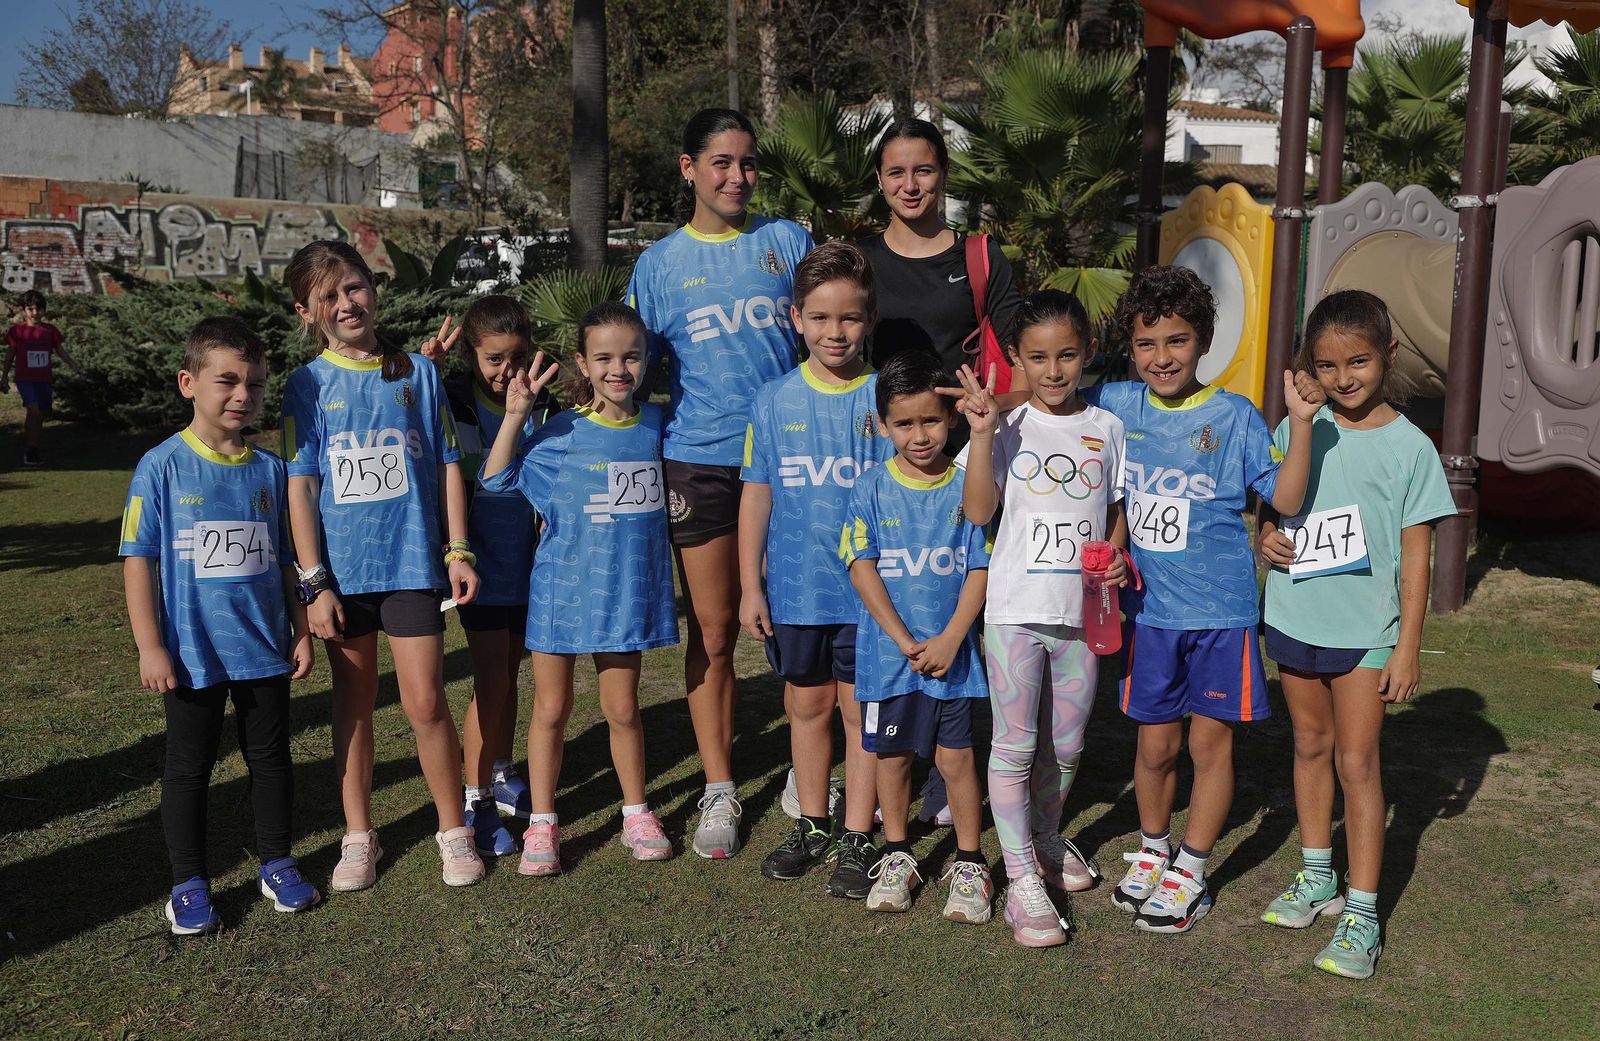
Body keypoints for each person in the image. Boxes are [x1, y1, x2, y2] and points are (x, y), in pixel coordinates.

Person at [1084, 265, 1320, 933]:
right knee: (1154, 747)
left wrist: (1300, 424)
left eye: (1178, 341)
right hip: (1150, 618)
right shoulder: (1117, 406)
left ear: (1204, 341)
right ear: (1130, 349)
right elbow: (1054, 398)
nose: (1163, 357)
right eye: (1147, 343)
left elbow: (1287, 497)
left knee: (1209, 748)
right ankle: (1154, 848)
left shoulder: (1235, 416)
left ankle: (1192, 867)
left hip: (1220, 617)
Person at [627, 108, 815, 859]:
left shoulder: (786, 241)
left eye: (746, 164)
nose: (737, 177)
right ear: (688, 169)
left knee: (796, 618)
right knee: (712, 629)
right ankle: (719, 786)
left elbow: (832, 332)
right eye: (720, 163)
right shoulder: (658, 265)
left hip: (789, 459)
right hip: (699, 459)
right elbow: (631, 373)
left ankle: (810, 775)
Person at [1257, 290, 1456, 979]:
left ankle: (1363, 912)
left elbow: (1419, 556)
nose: (1344, 377)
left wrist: (1407, 645)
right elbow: (1276, 503)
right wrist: (1265, 540)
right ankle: (1318, 876)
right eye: (1328, 363)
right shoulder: (1301, 425)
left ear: (1389, 355)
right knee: (1309, 746)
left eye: (1359, 361)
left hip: (1366, 633)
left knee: (1356, 762)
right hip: (1294, 617)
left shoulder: (1411, 449)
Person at [280, 240, 485, 891]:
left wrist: (457, 547)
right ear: (307, 310)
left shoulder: (416, 374)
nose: (348, 303)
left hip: (410, 568)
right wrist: (313, 582)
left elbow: (450, 464)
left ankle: (454, 832)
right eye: (330, 296)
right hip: (342, 578)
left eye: (356, 287)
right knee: (355, 702)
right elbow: (299, 487)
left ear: (375, 288)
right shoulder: (304, 385)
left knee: (427, 699)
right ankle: (358, 836)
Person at [119, 316, 318, 935]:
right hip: (191, 653)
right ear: (189, 382)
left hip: (263, 649)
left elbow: (284, 559)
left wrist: (301, 626)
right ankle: (188, 882)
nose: (242, 396)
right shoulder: (160, 466)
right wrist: (151, 646)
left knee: (271, 759)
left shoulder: (270, 470)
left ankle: (277, 862)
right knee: (188, 768)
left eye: (255, 385)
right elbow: (137, 560)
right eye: (227, 381)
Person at [951, 290, 1130, 947]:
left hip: (1081, 616)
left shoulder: (1108, 427)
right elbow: (977, 512)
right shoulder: (1005, 425)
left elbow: (1114, 509)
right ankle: (1022, 880)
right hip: (1016, 611)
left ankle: (1048, 835)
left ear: (1086, 352)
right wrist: (977, 433)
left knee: (1069, 743)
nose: (1053, 370)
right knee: (1016, 743)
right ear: (1018, 360)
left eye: (1066, 355)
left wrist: (1117, 550)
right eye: (1037, 358)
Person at [482, 302, 677, 875]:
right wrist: (517, 416)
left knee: (622, 709)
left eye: (631, 356)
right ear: (582, 364)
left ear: (647, 361)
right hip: (561, 594)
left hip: (626, 595)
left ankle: (636, 812)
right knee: (552, 709)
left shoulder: (658, 425)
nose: (619, 369)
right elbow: (496, 478)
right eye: (604, 358)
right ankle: (542, 821)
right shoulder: (562, 431)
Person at [739, 241, 893, 896]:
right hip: (797, 589)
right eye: (821, 317)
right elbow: (758, 491)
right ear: (796, 318)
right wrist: (751, 581)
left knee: (860, 712)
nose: (836, 331)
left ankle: (858, 835)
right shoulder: (772, 401)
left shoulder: (886, 396)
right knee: (805, 704)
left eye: (850, 318)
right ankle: (814, 821)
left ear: (870, 319)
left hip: (869, 595)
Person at [841, 350, 992, 922]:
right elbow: (862, 565)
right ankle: (898, 854)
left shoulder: (967, 485)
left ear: (949, 418)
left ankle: (971, 863)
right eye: (904, 423)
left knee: (955, 761)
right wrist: (903, 640)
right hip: (889, 658)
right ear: (882, 425)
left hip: (951, 658)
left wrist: (954, 637)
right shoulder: (870, 489)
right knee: (894, 757)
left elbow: (980, 566)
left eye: (930, 420)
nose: (919, 434)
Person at [439, 299, 555, 857]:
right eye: (493, 359)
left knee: (509, 672)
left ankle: (502, 769)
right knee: (490, 679)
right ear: (470, 355)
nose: (507, 370)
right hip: (478, 561)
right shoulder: (454, 400)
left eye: (516, 356)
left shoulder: (540, 399)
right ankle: (475, 795)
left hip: (530, 559)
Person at [859, 119, 1023, 446]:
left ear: (944, 172)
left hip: (964, 450)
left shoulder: (981, 257)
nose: (910, 186)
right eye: (895, 173)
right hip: (878, 448)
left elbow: (1021, 356)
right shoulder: (858, 261)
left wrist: (992, 405)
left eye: (923, 170)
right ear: (879, 178)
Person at [2, 289, 81, 467]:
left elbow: (60, 351)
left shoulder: (50, 331)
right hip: (24, 379)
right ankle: (29, 450)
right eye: (30, 309)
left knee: (39, 416)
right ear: (24, 310)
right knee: (34, 411)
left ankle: (33, 447)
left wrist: (74, 366)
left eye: (39, 309)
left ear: (44, 310)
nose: (35, 313)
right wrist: (4, 377)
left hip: (44, 380)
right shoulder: (17, 331)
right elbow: (10, 354)